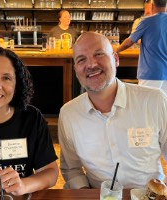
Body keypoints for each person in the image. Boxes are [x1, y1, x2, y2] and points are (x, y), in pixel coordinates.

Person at [58, 31, 167, 189]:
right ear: (75, 69)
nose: (91, 65)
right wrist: (85, 194)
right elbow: (71, 168)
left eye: (99, 54)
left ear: (115, 59)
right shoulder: (69, 114)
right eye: (81, 59)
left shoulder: (154, 100)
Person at [0, 46, 59, 195]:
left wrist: (24, 185)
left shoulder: (31, 118)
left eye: (6, 78)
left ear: (17, 85)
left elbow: (51, 172)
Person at [115, 0, 167, 94]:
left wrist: (115, 51)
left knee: (145, 105)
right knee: (164, 106)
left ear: (152, 5)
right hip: (165, 74)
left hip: (151, 73)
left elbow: (129, 42)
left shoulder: (147, 21)